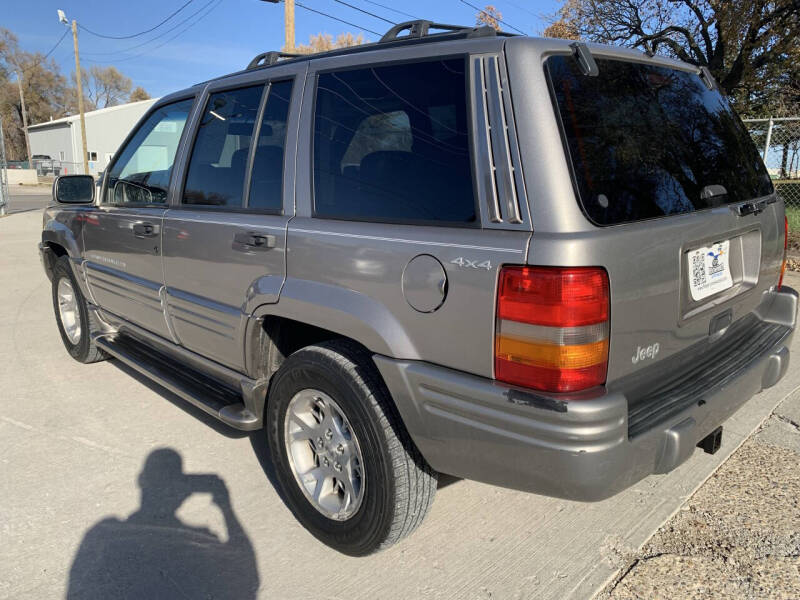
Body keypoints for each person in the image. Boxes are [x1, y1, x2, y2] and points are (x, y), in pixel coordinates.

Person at [67, 448, 259, 599]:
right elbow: (248, 579)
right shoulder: (203, 543)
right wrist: (226, 507)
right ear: (184, 493)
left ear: (141, 480)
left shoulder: (105, 533)